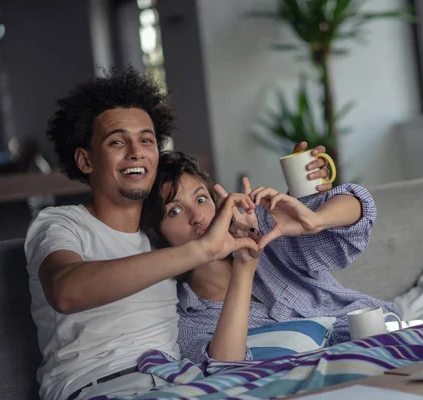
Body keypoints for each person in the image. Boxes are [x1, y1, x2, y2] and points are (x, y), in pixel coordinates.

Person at [24, 67, 330, 400]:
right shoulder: (61, 224)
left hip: (184, 381)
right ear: (85, 160)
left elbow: (225, 356)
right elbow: (66, 290)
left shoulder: (163, 240)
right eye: (116, 141)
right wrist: (202, 248)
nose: (136, 151)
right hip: (104, 386)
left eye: (146, 139)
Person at [141, 151, 398, 364]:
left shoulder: (267, 230)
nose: (196, 216)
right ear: (157, 233)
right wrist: (245, 264)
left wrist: (315, 220)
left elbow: (360, 207)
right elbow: (225, 365)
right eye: (174, 210)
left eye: (200, 199)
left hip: (383, 337)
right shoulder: (184, 317)